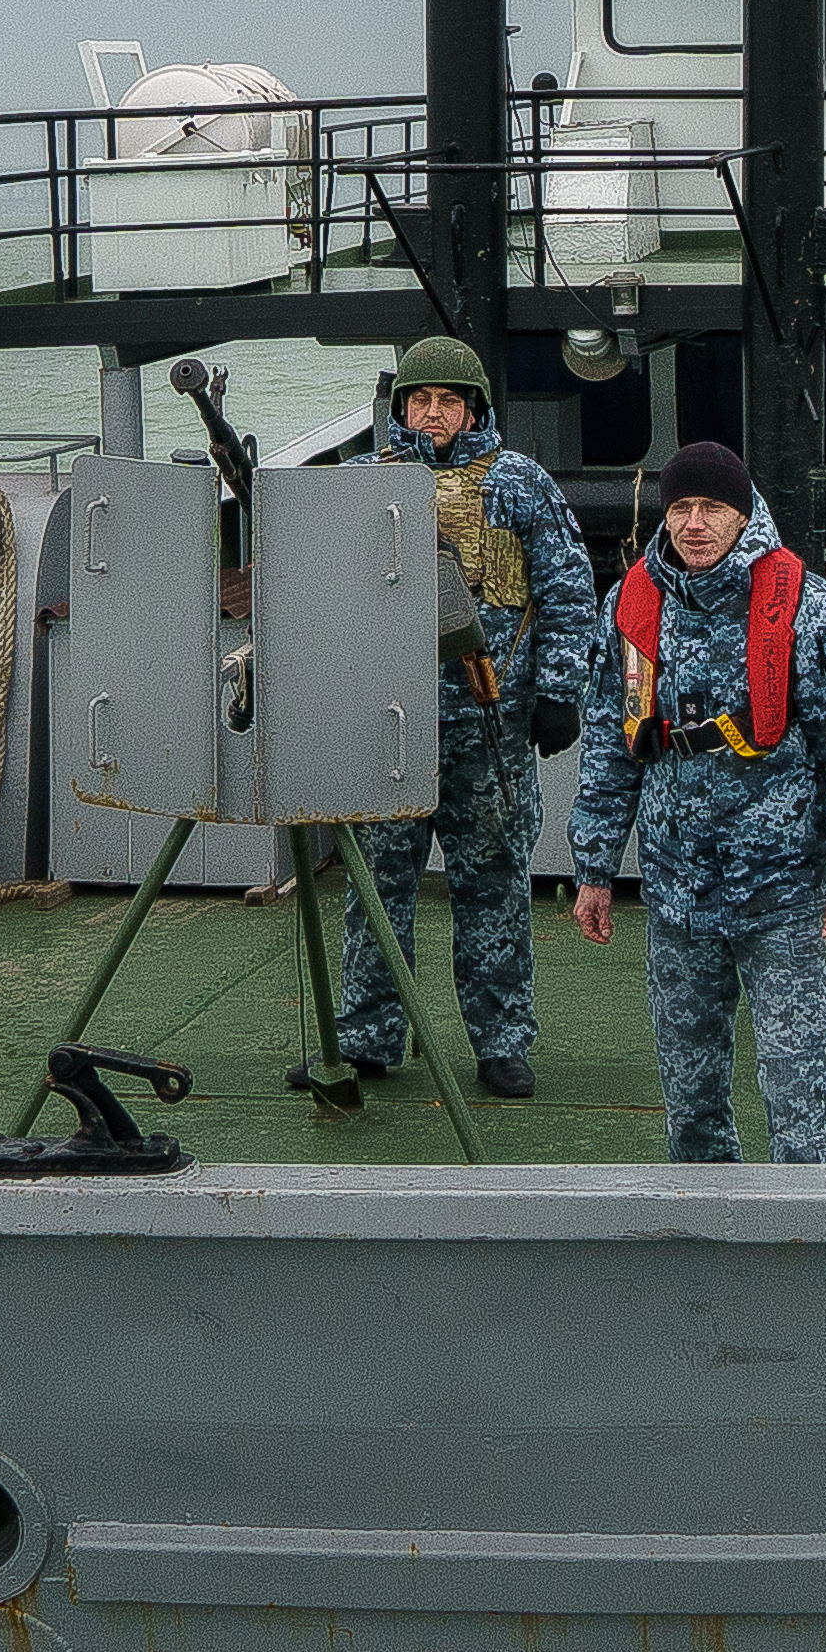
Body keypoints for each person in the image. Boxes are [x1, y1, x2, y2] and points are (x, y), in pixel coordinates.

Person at [566, 438, 826, 1163]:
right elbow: (611, 741)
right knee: (690, 1102)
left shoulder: (809, 608)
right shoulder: (632, 605)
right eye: (680, 508)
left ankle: (806, 1244)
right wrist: (593, 867)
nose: (694, 524)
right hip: (677, 897)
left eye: (712, 507)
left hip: (781, 896)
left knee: (797, 1094)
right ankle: (705, 1246)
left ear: (743, 516)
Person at [309, 332, 597, 1103]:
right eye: (419, 400)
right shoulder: (363, 484)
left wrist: (561, 691)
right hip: (390, 728)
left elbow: (570, 593)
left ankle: (501, 1044)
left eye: (448, 401)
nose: (433, 413)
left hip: (489, 728)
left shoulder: (521, 485)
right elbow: (324, 598)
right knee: (375, 889)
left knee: (495, 890)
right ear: (400, 407)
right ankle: (370, 1038)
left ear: (475, 410)